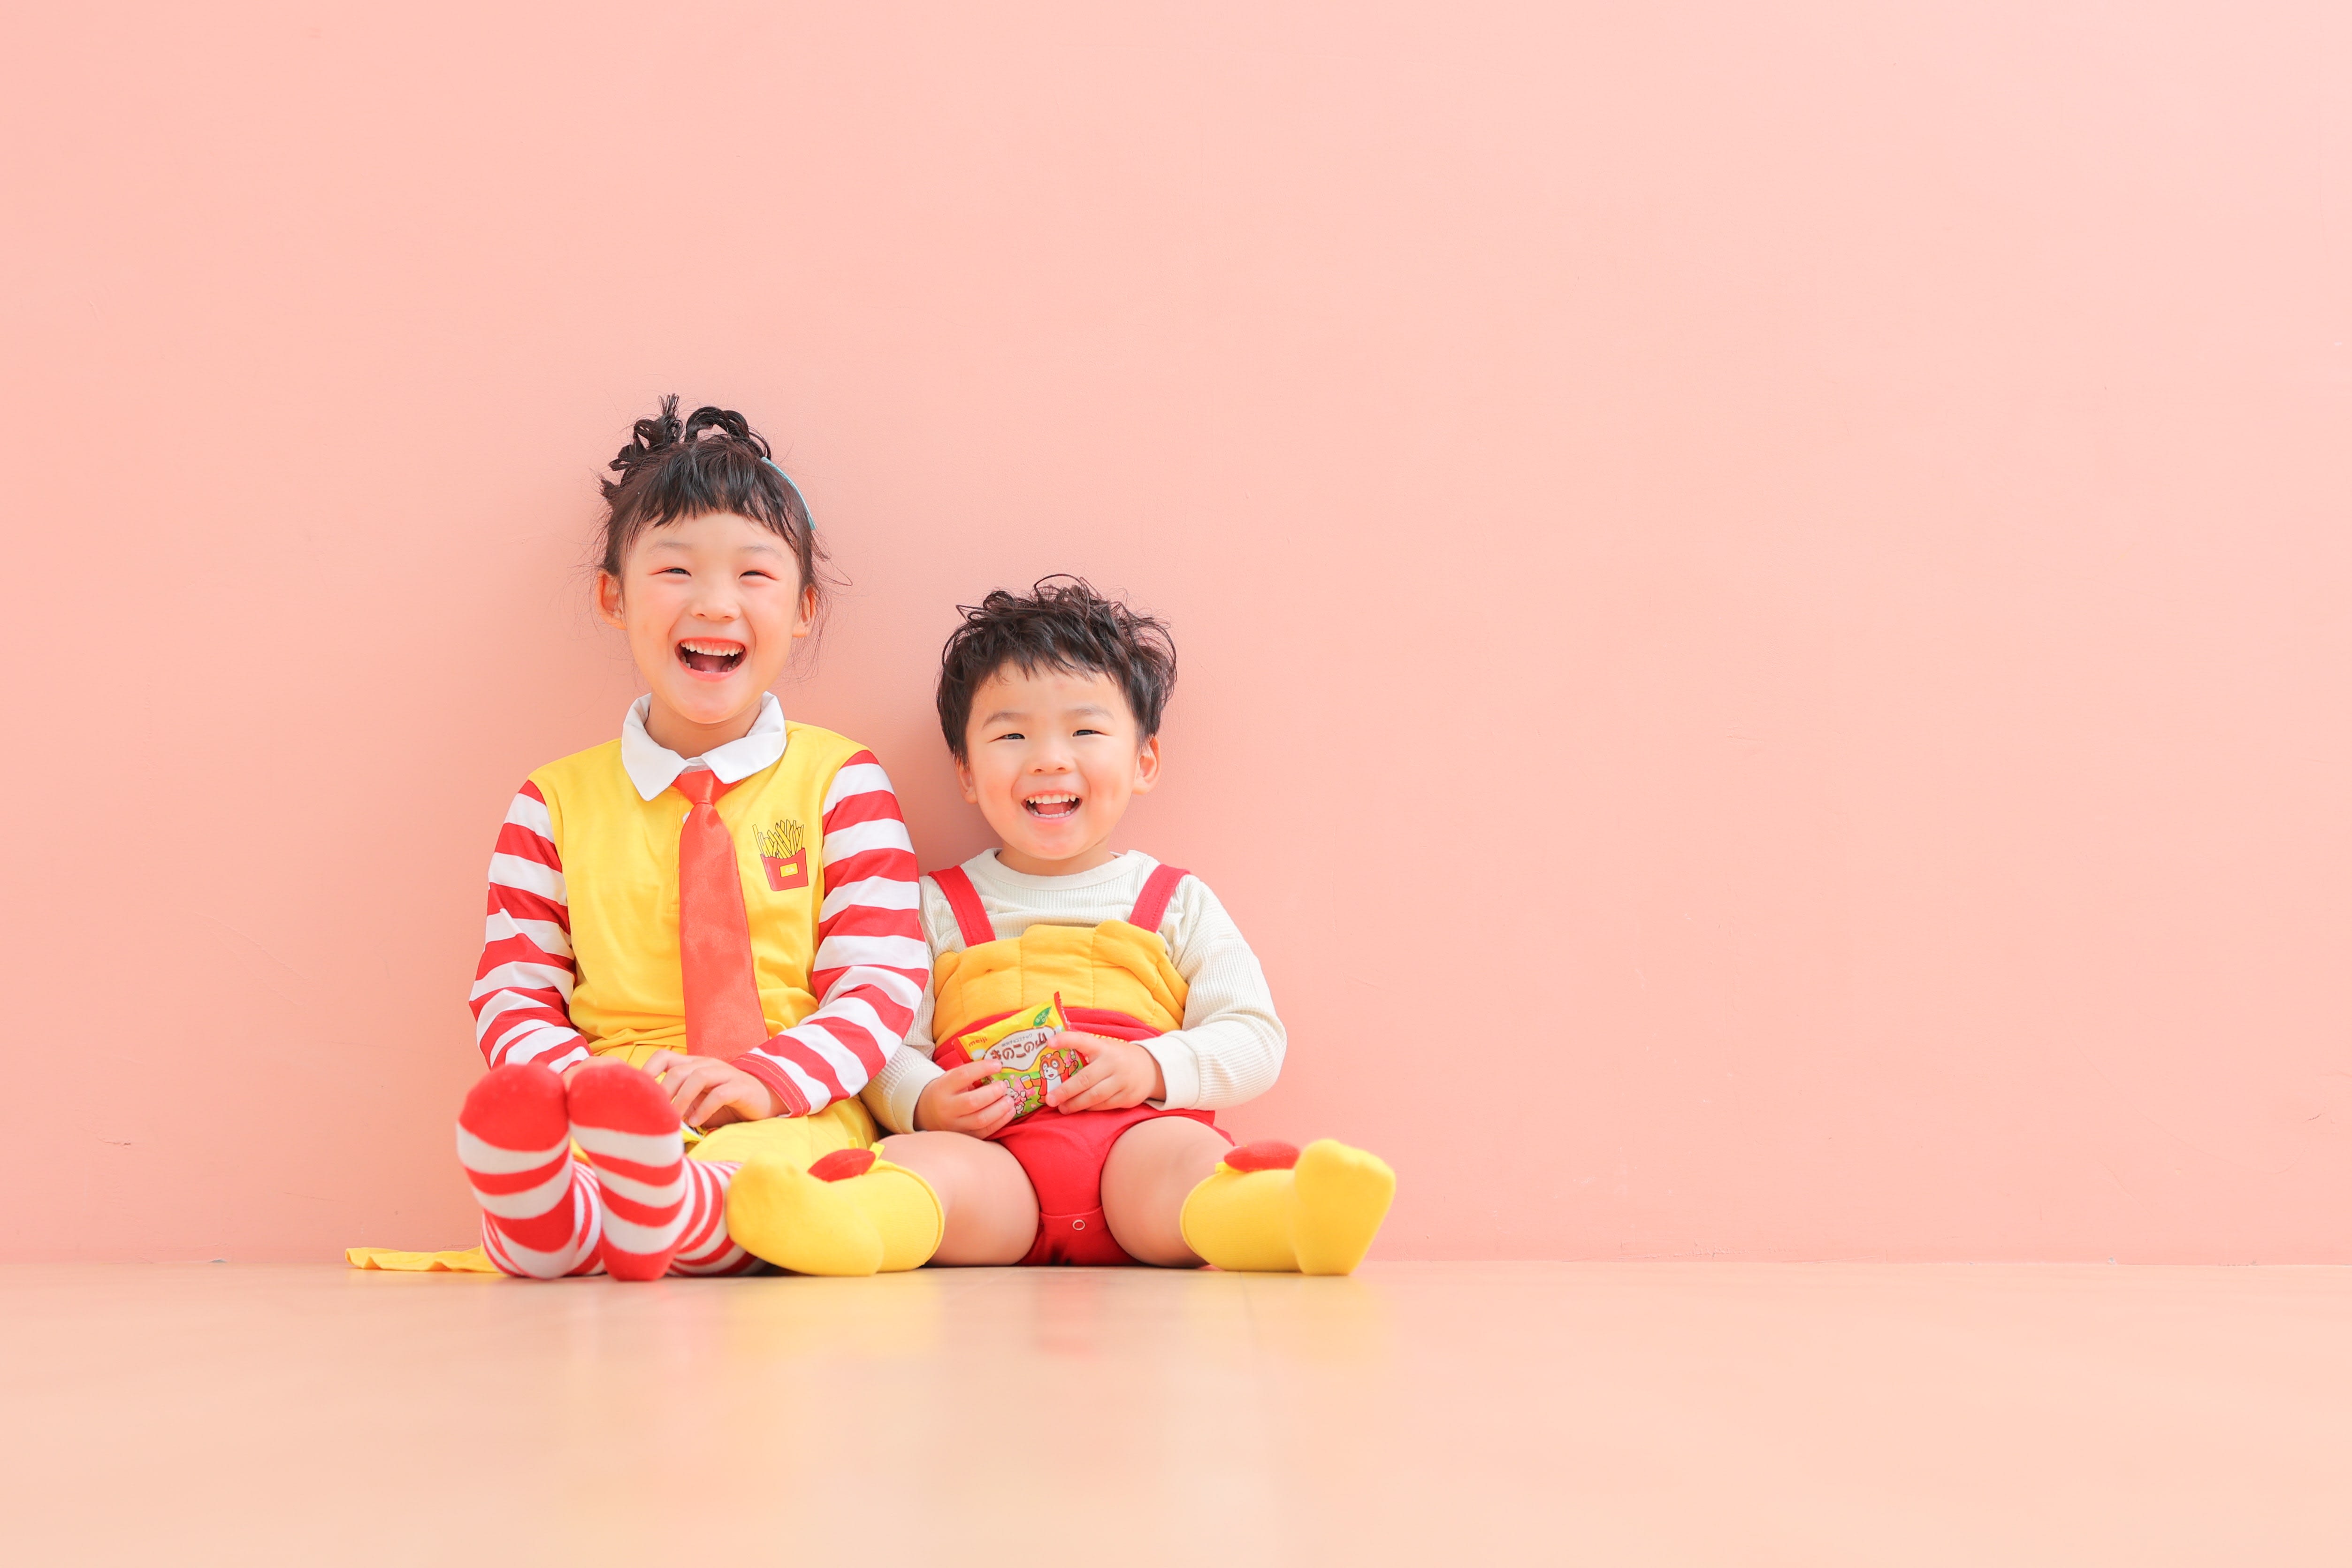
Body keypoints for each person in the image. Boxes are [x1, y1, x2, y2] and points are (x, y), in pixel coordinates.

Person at [451, 398, 943, 1280]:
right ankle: (576, 1211)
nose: (715, 603)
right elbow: (512, 993)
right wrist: (596, 1090)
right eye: (675, 570)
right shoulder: (551, 802)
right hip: (617, 1110)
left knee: (774, 1188)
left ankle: (626, 1218)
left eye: (754, 576)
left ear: (802, 608)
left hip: (792, 1109)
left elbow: (881, 981)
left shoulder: (843, 781)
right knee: (591, 1171)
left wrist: (771, 1080)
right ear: (615, 595)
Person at [813, 576, 1395, 1274]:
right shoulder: (932, 906)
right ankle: (843, 1223)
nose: (1050, 757)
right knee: (917, 1167)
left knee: (1197, 1166)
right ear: (965, 772)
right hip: (995, 1166)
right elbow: (880, 1041)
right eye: (1012, 734)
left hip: (1138, 1145)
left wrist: (1150, 1065)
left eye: (1085, 730)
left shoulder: (1175, 901)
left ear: (1144, 760)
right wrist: (925, 1099)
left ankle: (1287, 1218)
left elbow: (1255, 1035)